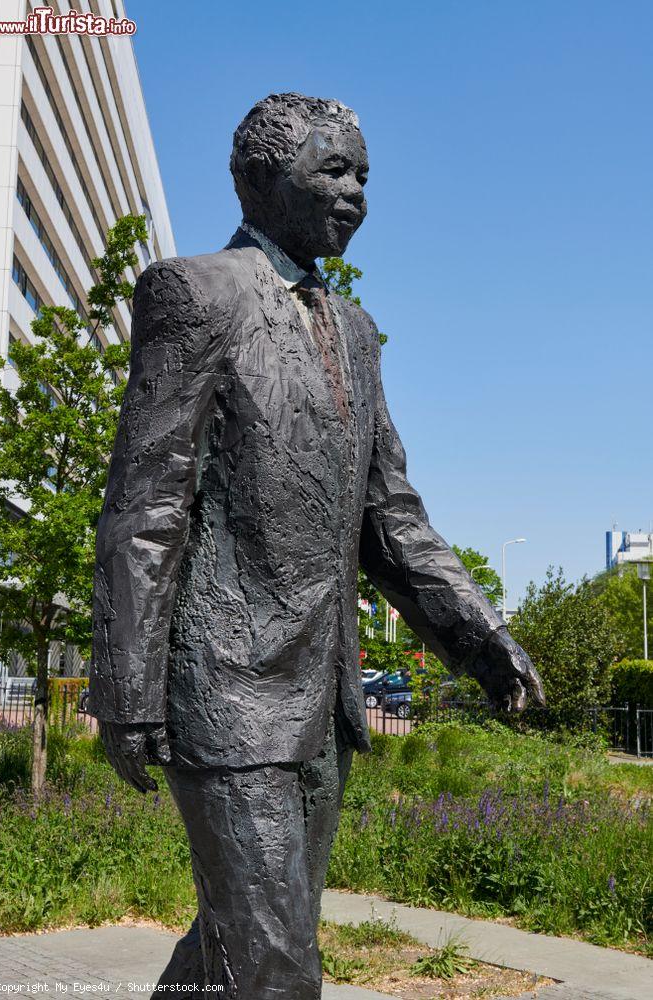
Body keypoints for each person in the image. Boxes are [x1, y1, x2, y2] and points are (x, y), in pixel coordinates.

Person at [88, 93, 544, 998]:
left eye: (363, 176)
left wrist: (482, 639)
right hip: (222, 684)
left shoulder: (357, 333)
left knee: (237, 945)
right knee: (278, 970)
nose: (355, 194)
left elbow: (392, 519)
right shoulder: (193, 293)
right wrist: (126, 688)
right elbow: (146, 505)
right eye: (331, 171)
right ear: (259, 178)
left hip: (320, 701)